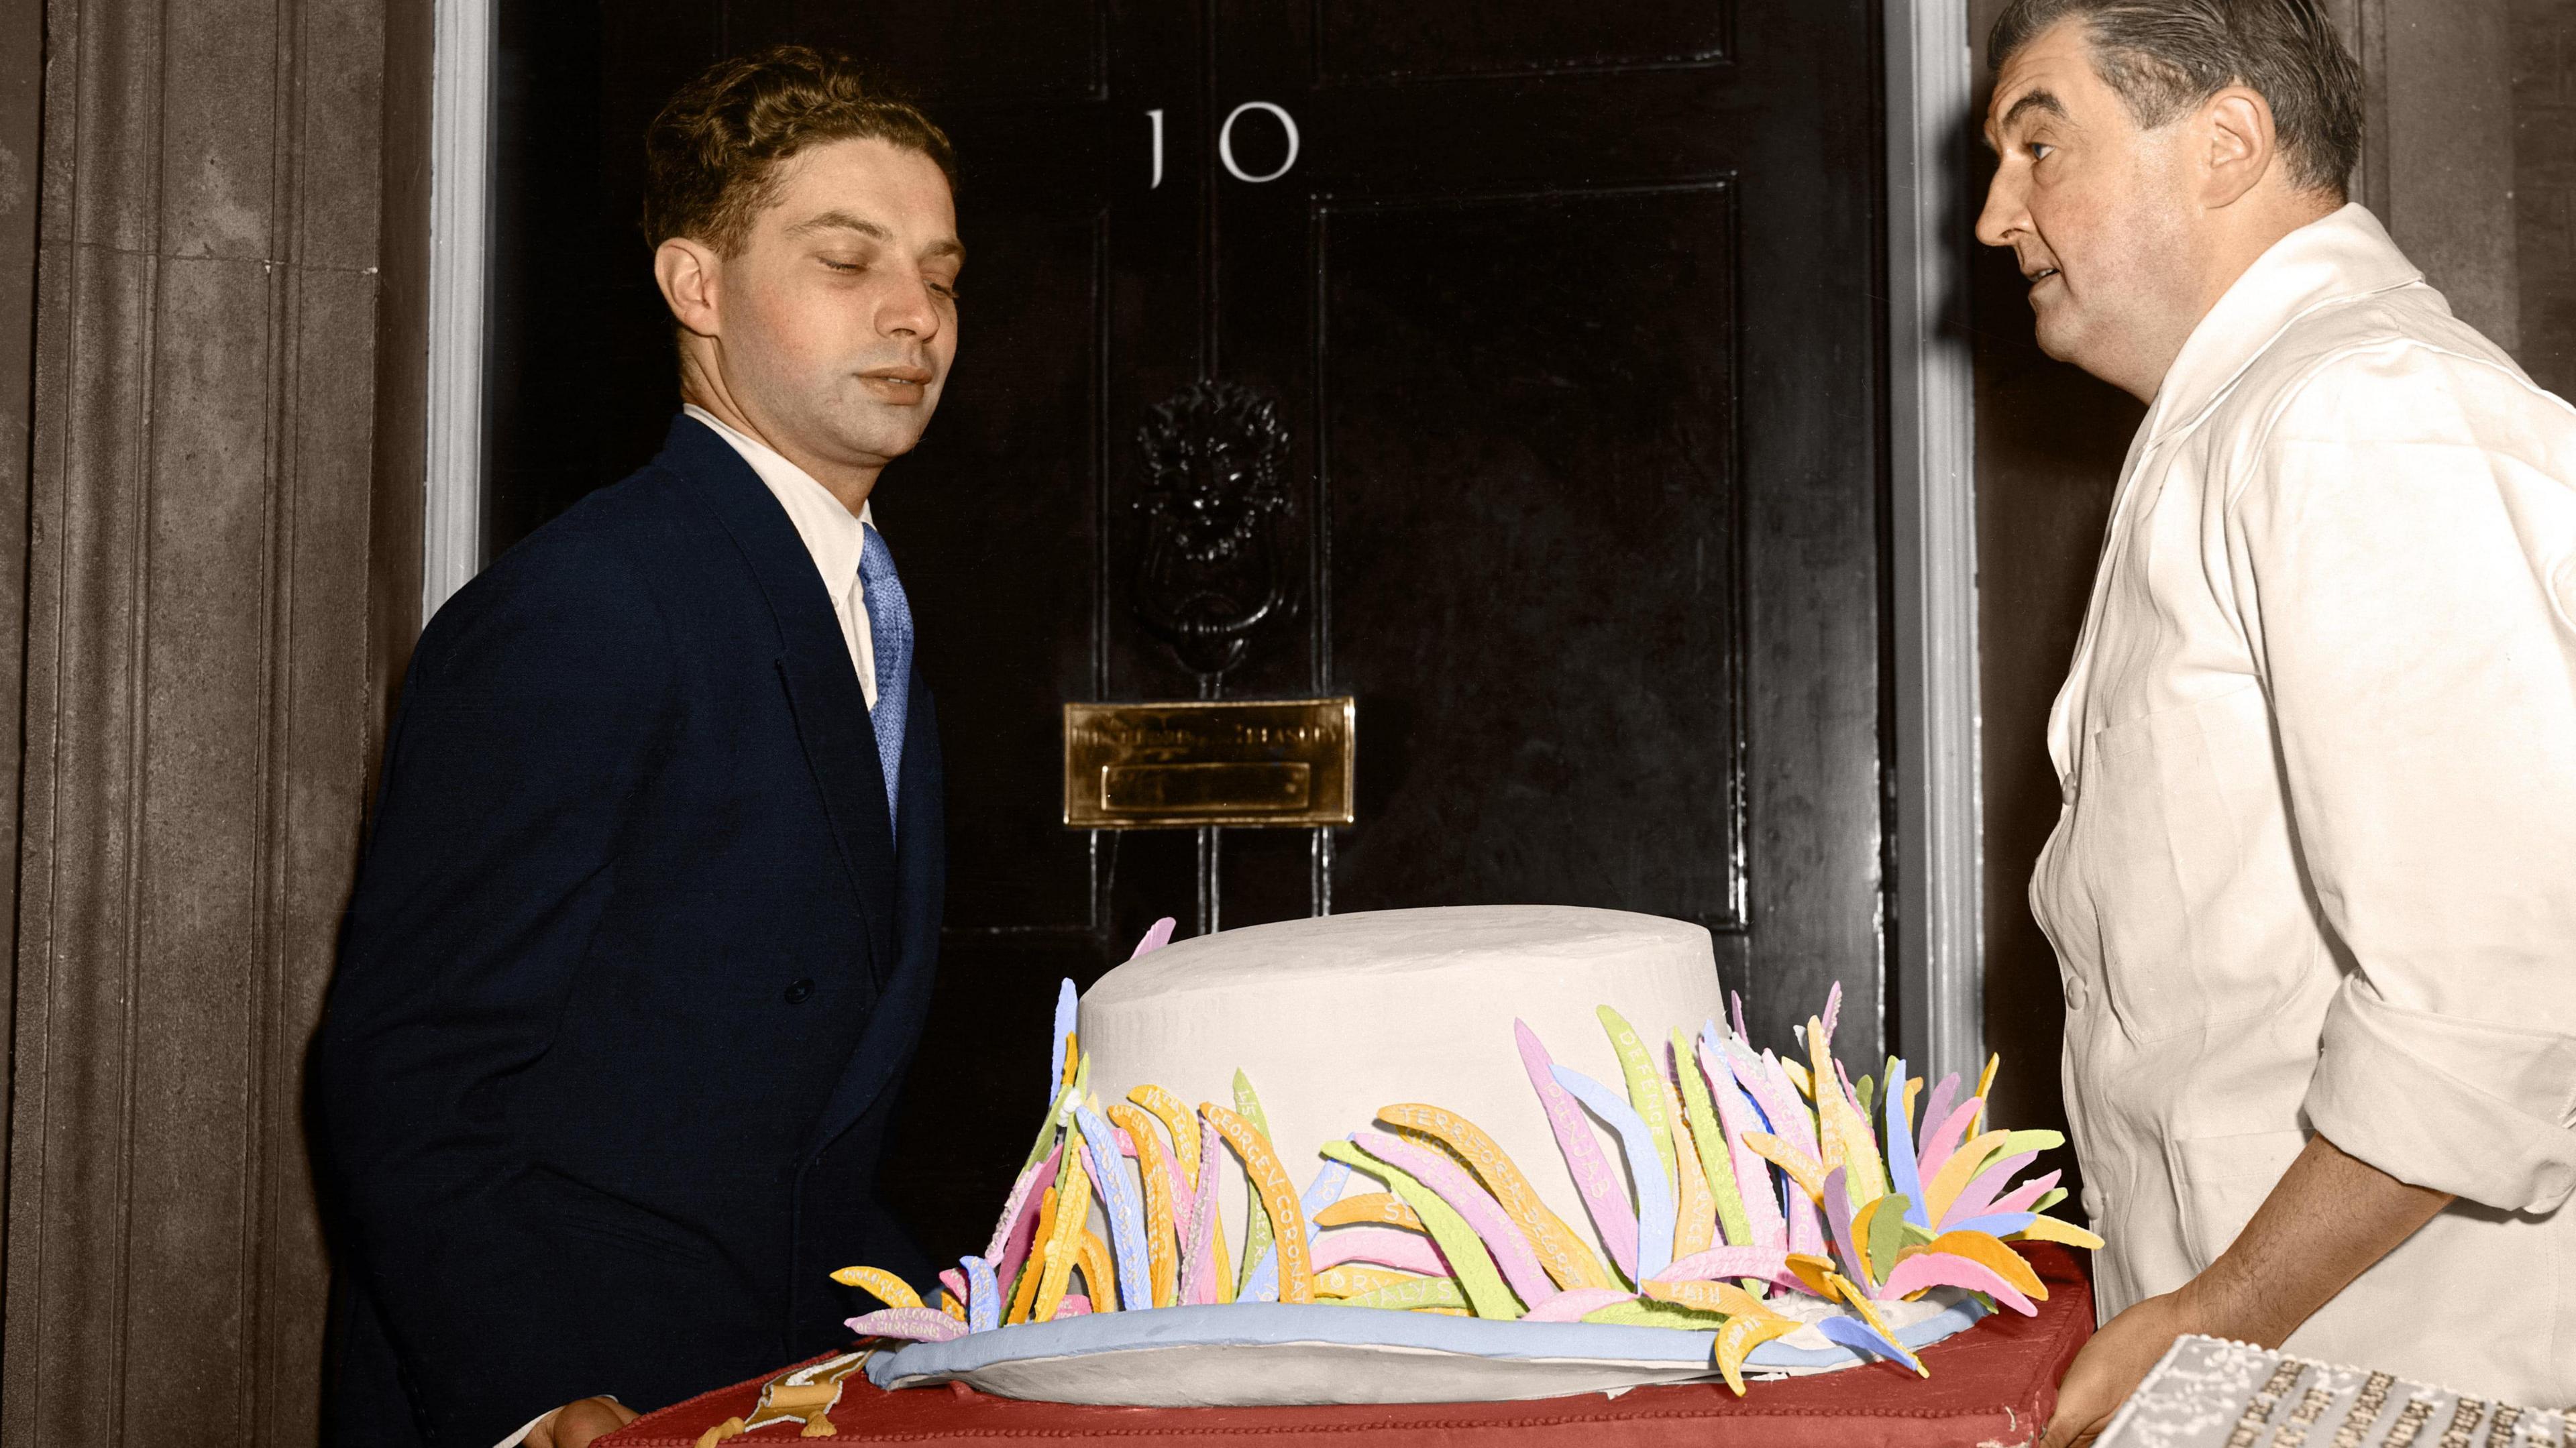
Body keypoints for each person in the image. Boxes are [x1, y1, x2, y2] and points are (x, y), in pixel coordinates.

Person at [315, 47, 962, 1448]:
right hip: (600, 1390)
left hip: (773, 1379)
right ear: (698, 288)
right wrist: (540, 1394)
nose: (916, 314)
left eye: (943, 274)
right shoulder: (589, 605)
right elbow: (410, 1066)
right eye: (849, 262)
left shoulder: (860, 600)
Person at [1976, 1, 2576, 1439]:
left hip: (2382, 1392)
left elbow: (2498, 1003)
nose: (1998, 216)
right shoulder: (2259, 417)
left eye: (2040, 145)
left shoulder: (2357, 413)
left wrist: (2206, 1321)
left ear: (2229, 141)